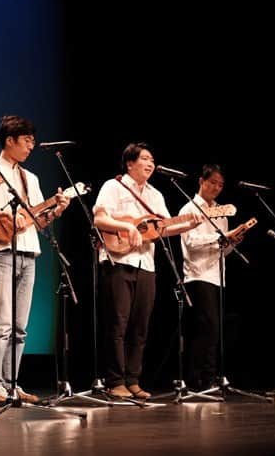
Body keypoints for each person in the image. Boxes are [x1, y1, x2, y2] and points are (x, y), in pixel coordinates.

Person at [0, 115, 70, 404]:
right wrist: (0, 214)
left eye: (33, 141)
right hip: (0, 251)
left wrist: (56, 210)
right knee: (1, 323)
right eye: (27, 141)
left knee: (20, 326)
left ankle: (12, 384)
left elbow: (36, 220)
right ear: (10, 141)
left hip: (28, 252)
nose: (31, 146)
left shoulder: (30, 178)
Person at [92, 142, 200, 399]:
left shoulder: (155, 194)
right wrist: (128, 227)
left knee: (140, 326)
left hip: (146, 265)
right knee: (118, 323)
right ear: (130, 163)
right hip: (118, 261)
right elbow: (99, 219)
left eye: (152, 159)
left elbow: (163, 227)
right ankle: (114, 380)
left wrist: (188, 225)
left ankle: (133, 379)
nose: (151, 163)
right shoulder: (113, 186)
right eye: (145, 158)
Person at [179, 164, 242, 391]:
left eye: (221, 185)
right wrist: (220, 238)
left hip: (217, 276)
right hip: (197, 275)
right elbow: (191, 243)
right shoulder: (189, 208)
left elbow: (220, 250)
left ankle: (210, 377)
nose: (217, 187)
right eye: (213, 182)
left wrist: (231, 243)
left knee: (215, 330)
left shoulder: (221, 212)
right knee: (207, 328)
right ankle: (199, 379)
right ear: (201, 181)